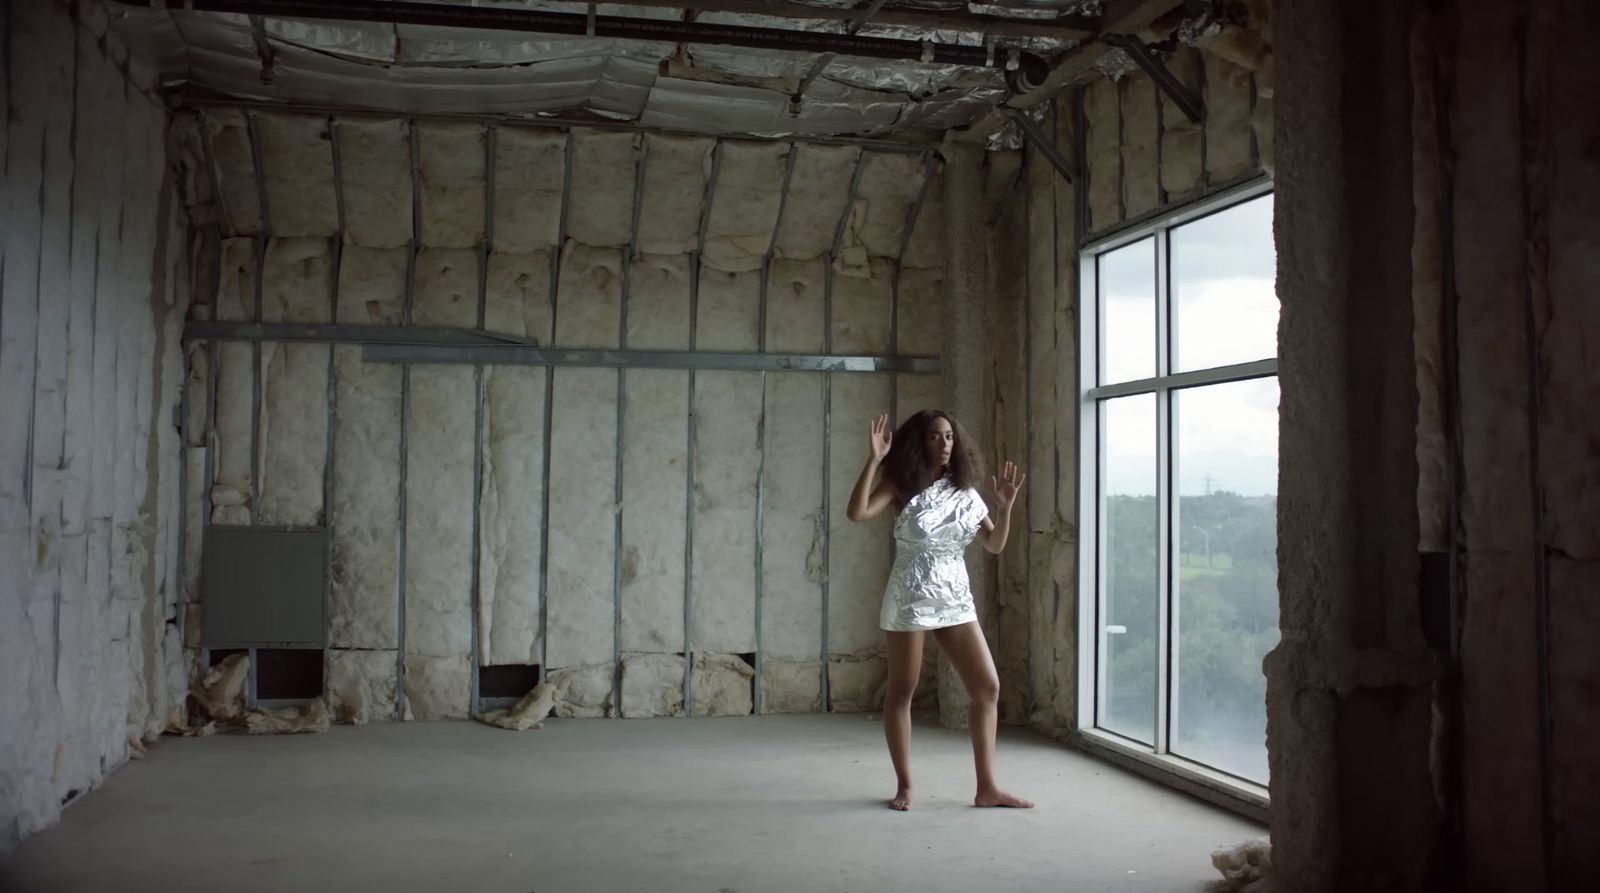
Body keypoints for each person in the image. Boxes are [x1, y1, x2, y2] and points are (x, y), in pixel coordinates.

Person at [845, 409, 1033, 811]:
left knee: (987, 688)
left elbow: (994, 545)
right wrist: (873, 460)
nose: (945, 443)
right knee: (902, 692)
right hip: (910, 598)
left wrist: (1005, 507)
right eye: (935, 436)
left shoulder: (965, 490)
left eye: (949, 436)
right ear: (920, 441)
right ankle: (906, 786)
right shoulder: (900, 485)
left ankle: (987, 788)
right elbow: (857, 513)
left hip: (955, 599)